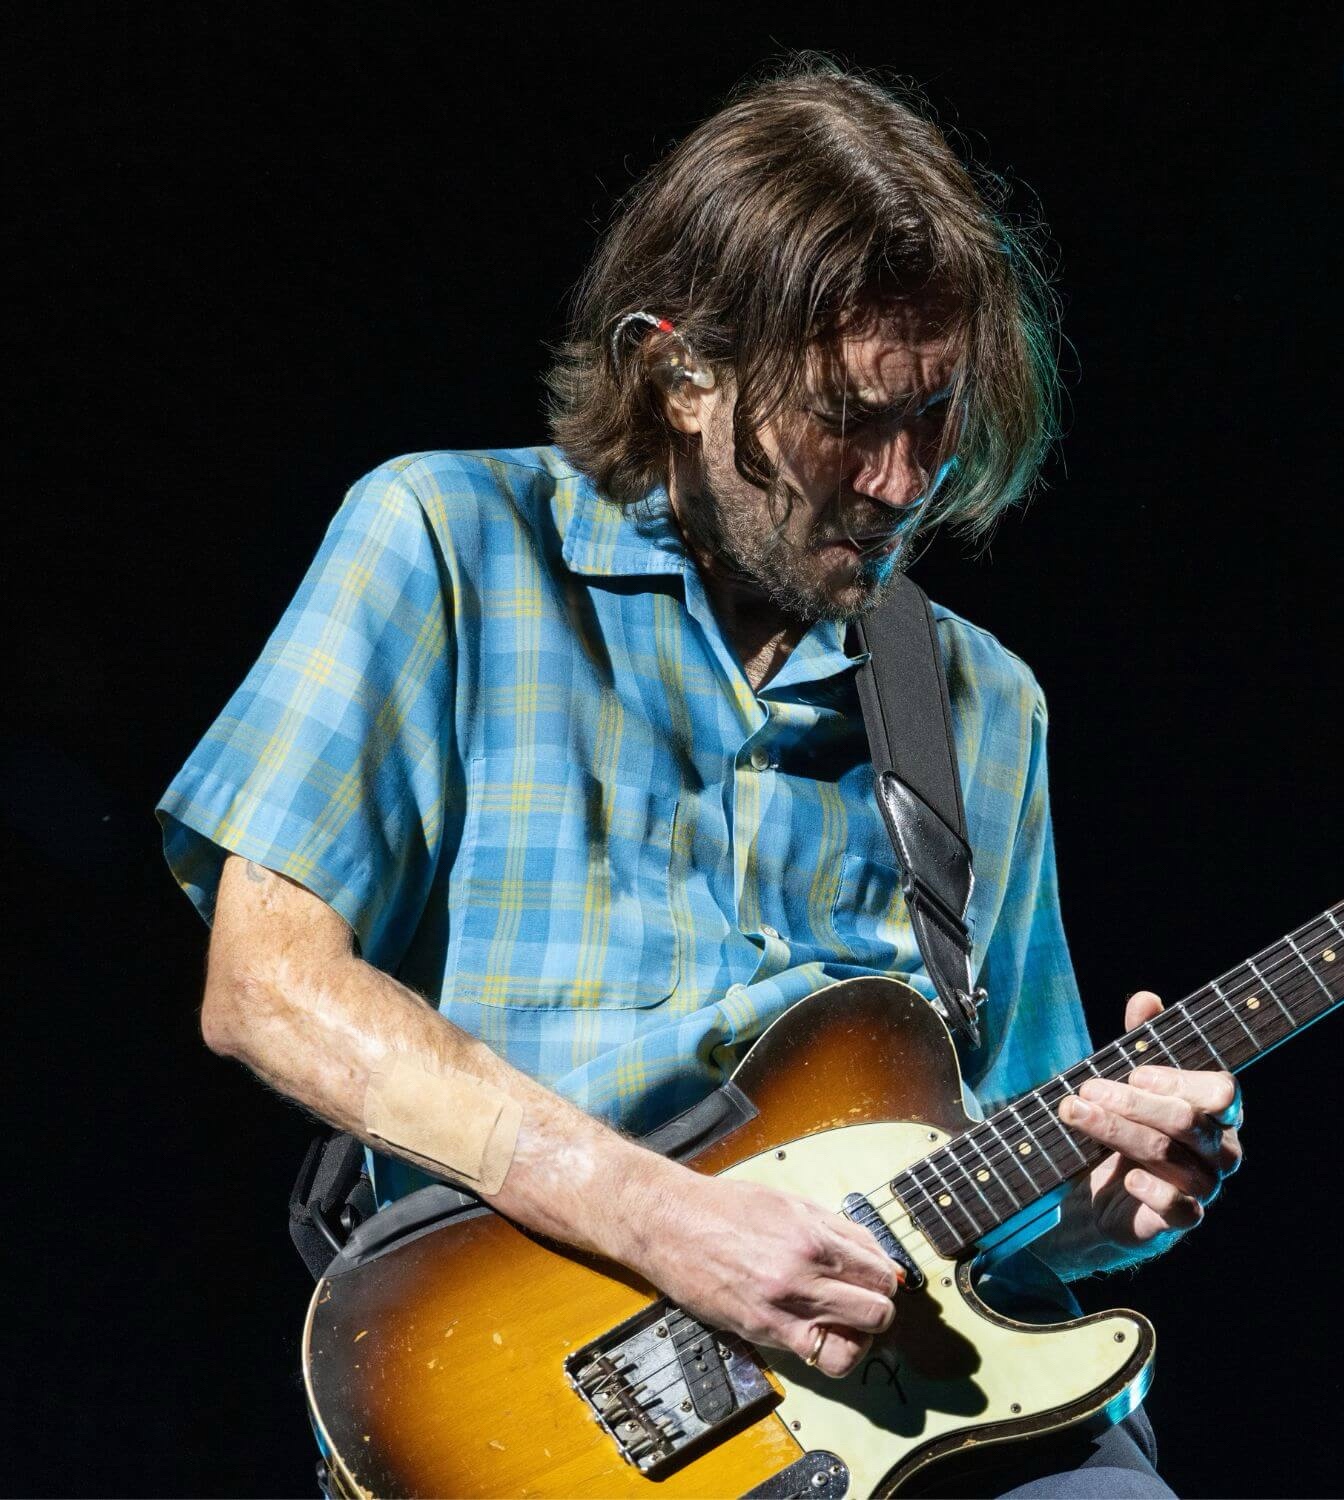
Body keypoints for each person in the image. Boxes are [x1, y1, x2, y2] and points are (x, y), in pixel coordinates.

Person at [159, 59, 1242, 1497]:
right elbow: (265, 986)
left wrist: (1102, 1201)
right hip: (554, 1386)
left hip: (913, 1398)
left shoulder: (982, 703)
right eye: (849, 417)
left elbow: (1010, 1155)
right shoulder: (444, 538)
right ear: (679, 374)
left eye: (935, 415)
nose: (901, 480)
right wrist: (660, 1218)